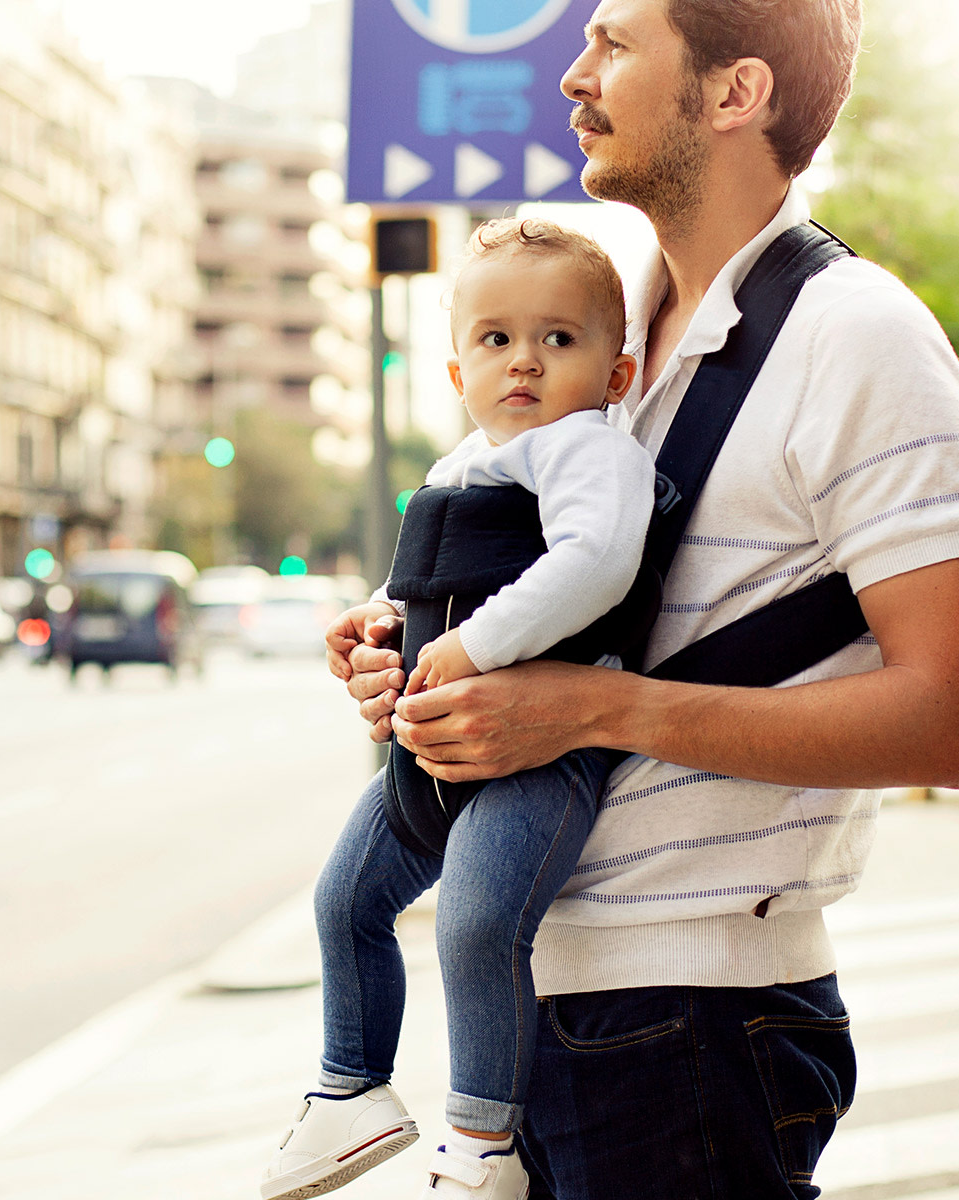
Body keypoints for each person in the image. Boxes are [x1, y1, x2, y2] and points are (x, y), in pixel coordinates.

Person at [325, 1, 959, 1195]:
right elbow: (557, 610)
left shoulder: (861, 337)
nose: (575, 73)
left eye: (616, 43)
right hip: (550, 1008)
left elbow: (948, 721)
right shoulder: (606, 344)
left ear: (734, 93)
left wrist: (592, 710)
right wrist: (409, 650)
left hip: (695, 1015)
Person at [262, 220, 653, 1200]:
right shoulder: (461, 466)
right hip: (426, 759)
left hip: (537, 760)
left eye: (560, 340)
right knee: (345, 900)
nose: (524, 360)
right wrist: (379, 623)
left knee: (477, 923)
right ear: (455, 372)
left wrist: (469, 650)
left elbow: (595, 561)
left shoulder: (584, 453)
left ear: (617, 374)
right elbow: (438, 584)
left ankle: (483, 1144)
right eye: (496, 339)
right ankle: (350, 1088)